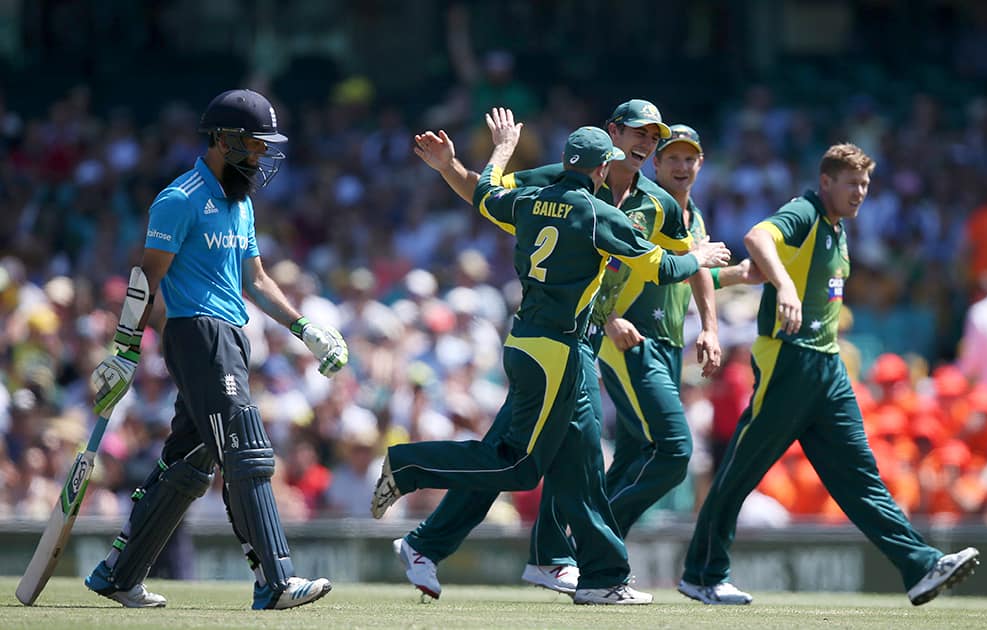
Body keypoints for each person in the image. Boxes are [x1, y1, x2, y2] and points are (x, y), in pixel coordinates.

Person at [371, 108, 730, 606]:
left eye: (655, 136)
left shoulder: (650, 202)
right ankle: (420, 499)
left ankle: (579, 569)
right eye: (639, 134)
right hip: (563, 344)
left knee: (578, 461)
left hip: (551, 341)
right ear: (611, 142)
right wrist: (701, 258)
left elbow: (489, 195)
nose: (647, 143)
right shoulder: (576, 196)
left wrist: (709, 318)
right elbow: (664, 264)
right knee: (520, 463)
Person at [677, 143, 980, 606]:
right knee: (741, 471)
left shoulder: (837, 231)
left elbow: (760, 266)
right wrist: (784, 287)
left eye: (865, 184)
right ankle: (703, 573)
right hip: (790, 358)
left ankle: (920, 565)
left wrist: (759, 277)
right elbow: (759, 235)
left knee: (860, 477)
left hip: (828, 365)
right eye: (851, 183)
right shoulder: (805, 211)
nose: (859, 192)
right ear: (826, 182)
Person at [85, 89, 348, 610]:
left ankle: (118, 573)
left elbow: (256, 278)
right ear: (223, 139)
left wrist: (304, 328)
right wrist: (123, 349)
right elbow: (145, 277)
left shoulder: (241, 203)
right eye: (254, 145)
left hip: (230, 334)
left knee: (190, 462)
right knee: (245, 449)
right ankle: (275, 580)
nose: (261, 156)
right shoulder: (180, 199)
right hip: (196, 332)